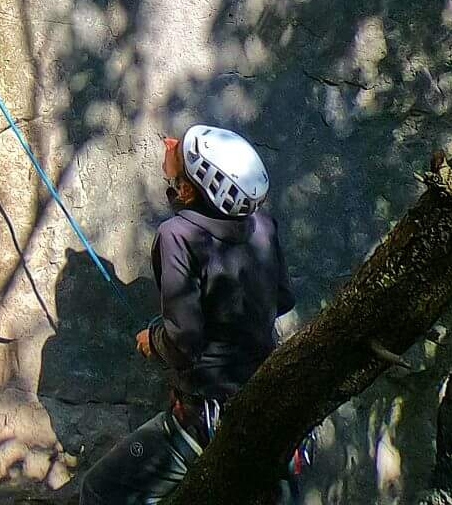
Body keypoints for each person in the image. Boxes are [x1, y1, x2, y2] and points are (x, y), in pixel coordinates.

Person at [76, 126, 297, 504]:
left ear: (190, 189)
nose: (169, 144)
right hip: (267, 400)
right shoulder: (263, 225)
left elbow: (184, 343)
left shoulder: (177, 235)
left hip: (206, 417)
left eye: (180, 152)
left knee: (100, 492)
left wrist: (154, 340)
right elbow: (282, 300)